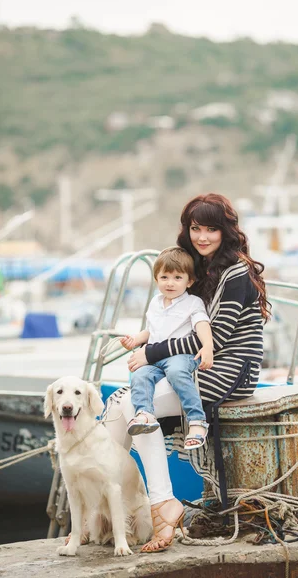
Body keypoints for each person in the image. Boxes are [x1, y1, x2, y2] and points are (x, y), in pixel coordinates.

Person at [106, 193, 271, 553]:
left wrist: (149, 352)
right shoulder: (197, 268)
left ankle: (162, 505)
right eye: (196, 228)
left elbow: (216, 337)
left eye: (212, 228)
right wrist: (148, 349)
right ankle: (111, 513)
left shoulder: (236, 272)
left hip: (228, 367)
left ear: (226, 230)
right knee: (121, 408)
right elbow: (170, 323)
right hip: (189, 364)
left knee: (133, 408)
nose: (202, 236)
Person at [120, 246, 212, 450]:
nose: (170, 283)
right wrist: (135, 340)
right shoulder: (155, 303)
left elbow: (202, 325)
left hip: (180, 355)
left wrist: (207, 346)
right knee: (140, 375)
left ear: (189, 281)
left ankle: (197, 421)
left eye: (177, 277)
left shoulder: (193, 303)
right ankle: (145, 414)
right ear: (156, 279)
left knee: (177, 372)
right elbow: (150, 331)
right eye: (165, 277)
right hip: (155, 356)